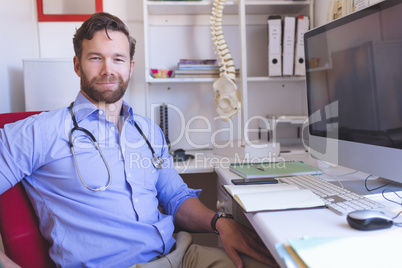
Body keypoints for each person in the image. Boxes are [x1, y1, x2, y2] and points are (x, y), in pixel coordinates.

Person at [0, 12, 277, 268]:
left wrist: (220, 222)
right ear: (77, 65)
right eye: (96, 58)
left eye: (118, 59)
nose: (108, 69)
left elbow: (175, 197)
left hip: (180, 257)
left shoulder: (147, 130)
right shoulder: (42, 132)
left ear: (130, 67)